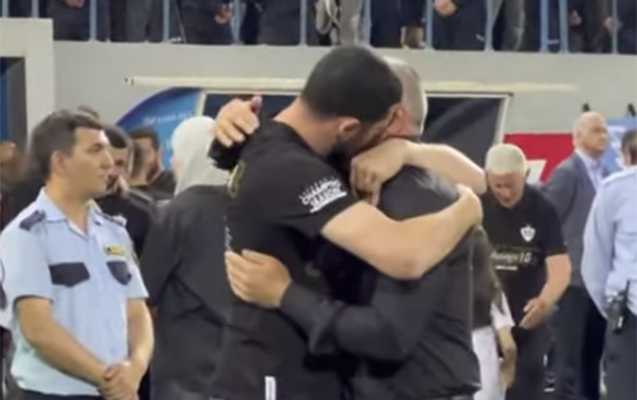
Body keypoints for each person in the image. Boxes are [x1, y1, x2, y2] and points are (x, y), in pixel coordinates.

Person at [209, 46, 483, 400]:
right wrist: (467, 211)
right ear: (348, 127)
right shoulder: (292, 167)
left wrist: (407, 150)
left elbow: (483, 180)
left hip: (305, 374)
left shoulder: (294, 148)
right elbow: (405, 256)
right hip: (272, 375)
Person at [0, 110, 154, 400]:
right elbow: (38, 329)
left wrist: (135, 369)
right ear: (60, 162)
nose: (108, 162)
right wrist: (109, 379)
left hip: (115, 391)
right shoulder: (27, 234)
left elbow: (137, 312)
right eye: (95, 150)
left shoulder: (114, 232)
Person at [140, 116, 230, 400]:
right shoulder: (248, 207)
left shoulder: (176, 213)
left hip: (186, 371)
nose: (173, 163)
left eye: (177, 154)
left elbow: (145, 290)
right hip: (237, 365)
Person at [482, 143, 571, 400]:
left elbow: (560, 268)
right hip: (483, 321)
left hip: (527, 321)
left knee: (526, 390)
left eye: (511, 185)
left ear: (526, 175)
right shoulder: (475, 205)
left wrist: (546, 300)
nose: (505, 193)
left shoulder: (543, 210)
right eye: (498, 186)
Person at [543, 112, 609, 400]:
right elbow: (547, 220)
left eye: (604, 130)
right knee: (568, 361)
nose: (603, 135)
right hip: (572, 284)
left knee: (592, 358)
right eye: (596, 130)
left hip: (598, 283)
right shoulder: (567, 173)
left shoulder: (606, 175)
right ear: (577, 136)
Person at [581, 128, 637, 400]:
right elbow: (594, 266)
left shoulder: (612, 190)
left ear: (625, 155)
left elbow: (595, 262)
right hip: (629, 321)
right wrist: (614, 310)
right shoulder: (616, 190)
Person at [471, 228, 517, 400]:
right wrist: (509, 366)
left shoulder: (442, 288)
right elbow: (508, 345)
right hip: (484, 376)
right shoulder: (491, 290)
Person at [96, 124, 154, 256]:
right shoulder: (64, 205)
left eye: (119, 164)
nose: (112, 171)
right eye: (106, 161)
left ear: (129, 166)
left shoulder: (142, 214)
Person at [129, 127, 176, 196]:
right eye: (136, 154)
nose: (140, 159)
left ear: (159, 153)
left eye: (145, 153)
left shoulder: (175, 185)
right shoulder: (126, 191)